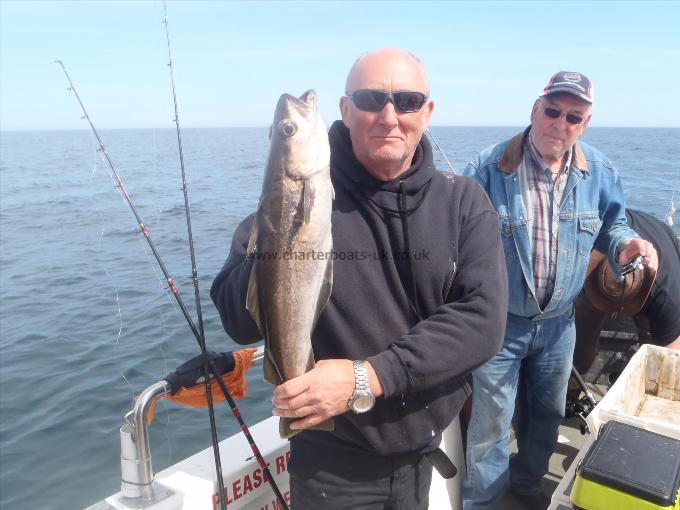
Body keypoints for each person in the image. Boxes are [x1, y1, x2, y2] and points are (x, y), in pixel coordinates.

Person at [211, 48, 508, 509]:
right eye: (371, 99)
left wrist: (363, 378)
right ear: (345, 111)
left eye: (407, 101)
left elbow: (483, 321)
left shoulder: (464, 202)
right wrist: (277, 225)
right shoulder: (279, 210)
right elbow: (238, 322)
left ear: (427, 112)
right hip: (332, 460)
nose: (389, 116)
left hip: (426, 448)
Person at [460, 71, 658, 510]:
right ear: (535, 110)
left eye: (574, 116)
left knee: (547, 416)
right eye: (552, 111)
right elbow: (454, 241)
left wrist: (627, 245)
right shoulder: (485, 169)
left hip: (558, 326)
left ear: (584, 124)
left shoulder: (601, 172)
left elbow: (614, 225)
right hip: (499, 325)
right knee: (490, 426)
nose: (560, 123)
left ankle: (529, 487)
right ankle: (484, 503)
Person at [573, 208, 680, 379]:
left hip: (662, 240)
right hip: (599, 265)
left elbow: (672, 354)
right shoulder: (584, 242)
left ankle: (646, 374)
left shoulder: (666, 296)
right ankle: (574, 381)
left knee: (655, 354)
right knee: (580, 338)